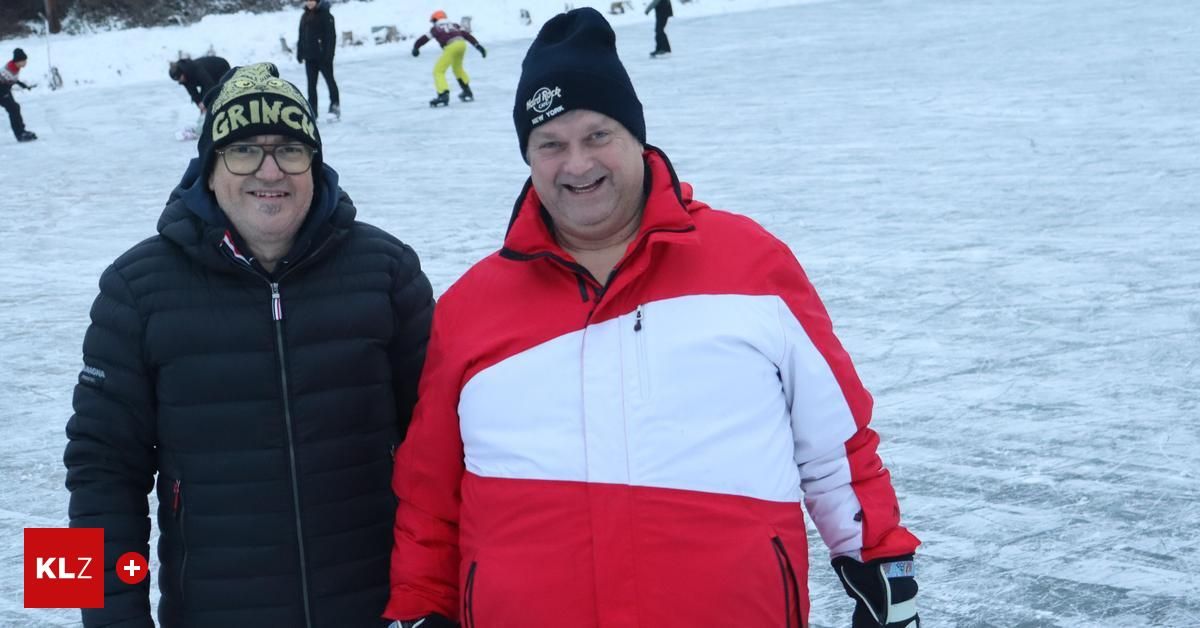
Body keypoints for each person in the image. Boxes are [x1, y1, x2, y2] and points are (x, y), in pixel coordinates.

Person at [383, 8, 921, 628]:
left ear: (637, 135)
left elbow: (836, 448)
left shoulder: (751, 265)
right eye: (550, 144)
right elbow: (430, 499)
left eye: (597, 135)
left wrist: (880, 564)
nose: (576, 164)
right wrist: (420, 609)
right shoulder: (471, 308)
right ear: (527, 157)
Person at [65, 62, 434, 628]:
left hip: (376, 612)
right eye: (242, 150)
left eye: (290, 149)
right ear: (210, 168)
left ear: (315, 163)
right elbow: (97, 472)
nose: (270, 170)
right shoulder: (135, 289)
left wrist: (435, 603)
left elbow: (441, 452)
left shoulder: (386, 272)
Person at [411, 10, 486, 108]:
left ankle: (443, 94)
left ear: (435, 19)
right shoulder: (455, 25)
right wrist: (478, 46)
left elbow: (424, 38)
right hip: (461, 45)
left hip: (451, 46)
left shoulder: (436, 28)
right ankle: (467, 91)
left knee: (438, 71)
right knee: (458, 69)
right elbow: (467, 35)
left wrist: (416, 47)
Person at [297, 0, 340, 120]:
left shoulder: (326, 15)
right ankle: (312, 111)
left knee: (330, 81)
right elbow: (301, 36)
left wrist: (328, 56)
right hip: (309, 57)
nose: (309, 3)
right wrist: (300, 52)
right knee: (311, 86)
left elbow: (331, 37)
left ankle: (334, 107)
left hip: (323, 57)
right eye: (307, 1)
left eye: (312, 1)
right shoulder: (304, 16)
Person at [1, 47, 37, 142]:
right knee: (13, 109)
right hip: (1, 90)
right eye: (24, 61)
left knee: (15, 108)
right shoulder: (9, 70)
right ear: (18, 61)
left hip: (4, 89)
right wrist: (4, 94)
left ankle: (21, 131)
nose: (26, 63)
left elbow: (14, 79)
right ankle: (20, 134)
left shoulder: (15, 66)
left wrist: (23, 85)